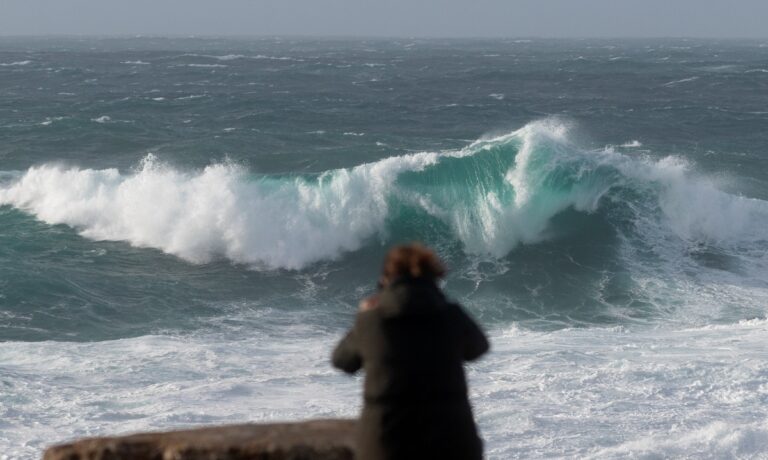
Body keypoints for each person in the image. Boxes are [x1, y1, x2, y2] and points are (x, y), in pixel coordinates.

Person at [332, 243, 489, 460]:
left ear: (386, 279)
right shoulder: (450, 315)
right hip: (450, 441)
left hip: (385, 444)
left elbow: (342, 361)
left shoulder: (372, 320)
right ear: (433, 278)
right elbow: (479, 348)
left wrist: (364, 316)